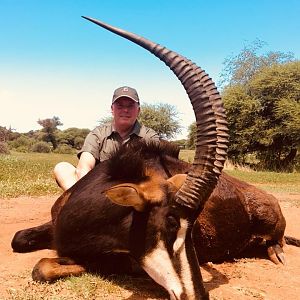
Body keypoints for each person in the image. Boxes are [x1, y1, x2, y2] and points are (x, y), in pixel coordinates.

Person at [54, 86, 159, 191]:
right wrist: (89, 194)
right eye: (120, 106)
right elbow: (84, 167)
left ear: (138, 110)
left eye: (130, 106)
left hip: (133, 192)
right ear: (112, 109)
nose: (125, 110)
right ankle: (82, 203)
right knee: (62, 168)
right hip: (99, 191)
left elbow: (154, 172)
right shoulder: (98, 133)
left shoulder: (150, 137)